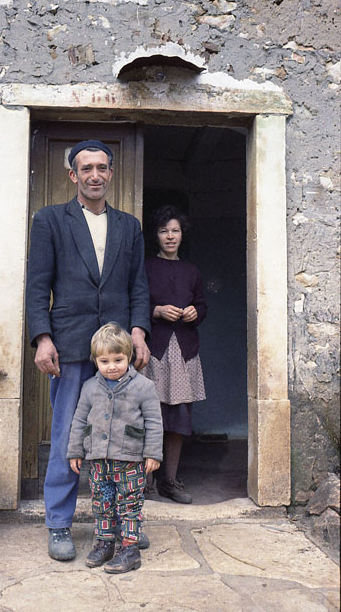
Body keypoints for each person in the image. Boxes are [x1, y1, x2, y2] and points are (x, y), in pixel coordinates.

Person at [26, 140, 151, 561]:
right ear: (73, 175)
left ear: (111, 173)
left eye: (101, 167)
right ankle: (59, 524)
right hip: (70, 345)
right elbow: (37, 285)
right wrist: (43, 338)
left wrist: (138, 332)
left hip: (118, 350)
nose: (94, 175)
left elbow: (138, 285)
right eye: (86, 168)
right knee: (69, 434)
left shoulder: (129, 226)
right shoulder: (49, 220)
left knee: (124, 438)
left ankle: (123, 524)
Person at [67, 323, 163, 574]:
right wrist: (75, 451)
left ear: (129, 357)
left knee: (130, 505)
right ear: (95, 361)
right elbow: (79, 419)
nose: (112, 366)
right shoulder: (89, 387)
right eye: (104, 361)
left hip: (130, 461)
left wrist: (153, 453)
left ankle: (130, 549)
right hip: (99, 462)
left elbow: (154, 421)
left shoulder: (144, 387)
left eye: (118, 360)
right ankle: (105, 543)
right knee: (102, 503)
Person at [143, 205, 207, 504]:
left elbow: (203, 305)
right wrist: (156, 311)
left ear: (183, 235)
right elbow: (135, 303)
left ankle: (170, 480)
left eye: (175, 231)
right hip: (153, 349)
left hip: (184, 351)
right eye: (163, 231)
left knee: (179, 416)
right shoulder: (146, 267)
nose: (170, 236)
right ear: (156, 236)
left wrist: (196, 312)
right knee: (149, 414)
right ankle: (146, 482)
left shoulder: (192, 271)